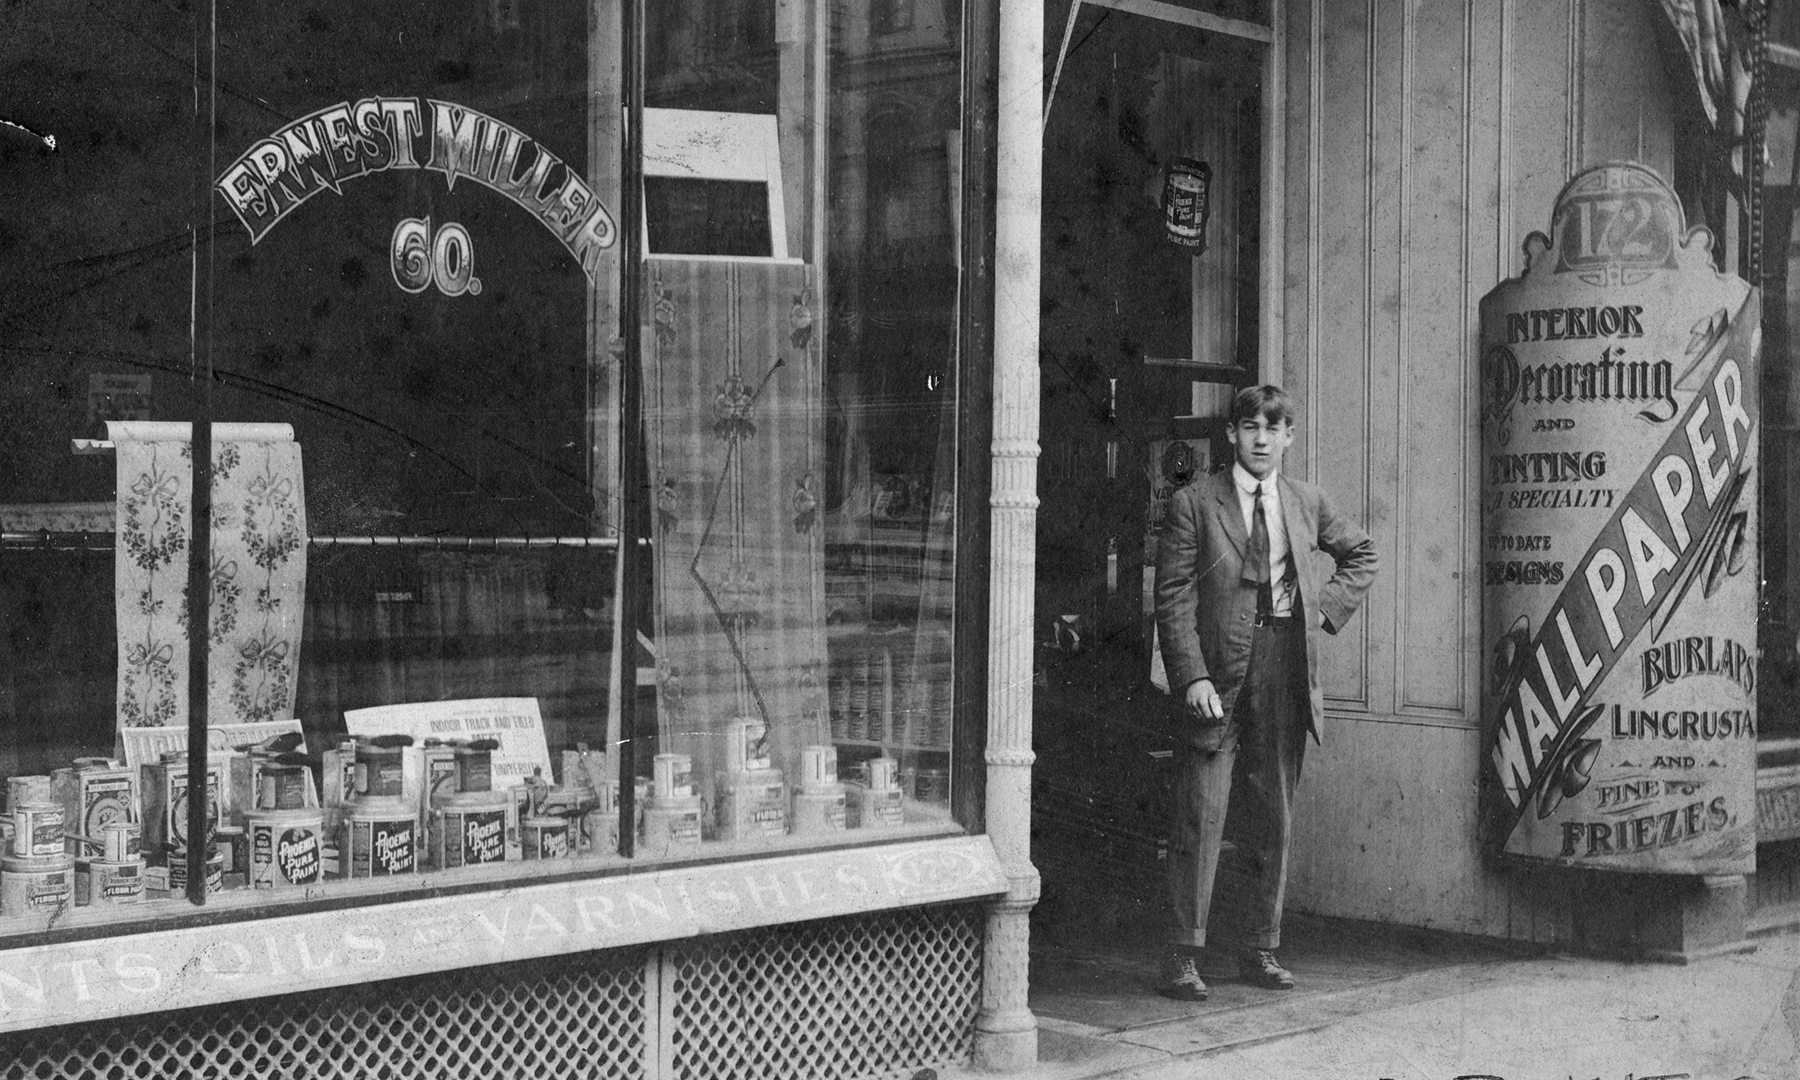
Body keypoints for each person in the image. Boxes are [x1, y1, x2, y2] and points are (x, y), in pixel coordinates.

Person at [1152, 384, 1378, 1000]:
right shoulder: (1195, 503)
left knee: (1272, 812)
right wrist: (1192, 674)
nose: (1259, 438)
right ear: (1231, 435)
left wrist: (1321, 614)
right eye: (1248, 426)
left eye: (1271, 429)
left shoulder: (1305, 501)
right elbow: (1173, 597)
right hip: (1219, 669)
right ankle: (1183, 955)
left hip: (1283, 664)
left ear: (1288, 438)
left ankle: (1260, 947)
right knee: (1201, 809)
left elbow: (1362, 554)